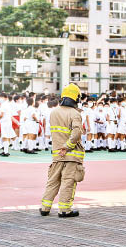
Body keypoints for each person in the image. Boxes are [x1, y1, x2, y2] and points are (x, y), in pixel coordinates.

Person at [40, 83, 85, 218]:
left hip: (57, 154)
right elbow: (76, 134)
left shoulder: (54, 112)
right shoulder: (75, 114)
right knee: (68, 182)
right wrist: (68, 146)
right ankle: (64, 210)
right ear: (76, 98)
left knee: (53, 181)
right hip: (71, 155)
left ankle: (45, 208)